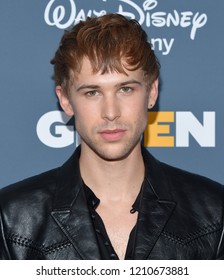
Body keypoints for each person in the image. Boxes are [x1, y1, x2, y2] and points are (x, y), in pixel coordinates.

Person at [0, 14, 223, 260]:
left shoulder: (214, 213)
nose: (111, 112)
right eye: (92, 92)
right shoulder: (11, 220)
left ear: (152, 92)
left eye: (125, 89)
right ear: (65, 100)